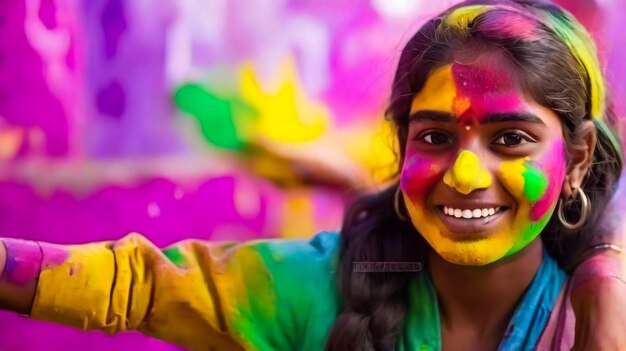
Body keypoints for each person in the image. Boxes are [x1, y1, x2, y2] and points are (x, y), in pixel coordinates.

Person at [1, 0, 625, 350]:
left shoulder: (601, 313)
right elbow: (142, 286)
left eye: (510, 140)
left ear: (575, 160)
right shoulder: (326, 285)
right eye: (434, 137)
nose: (464, 174)